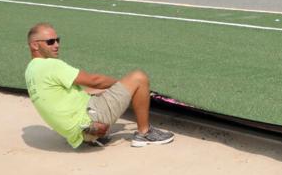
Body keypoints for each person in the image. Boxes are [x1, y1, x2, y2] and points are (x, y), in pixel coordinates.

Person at [24, 23, 174, 149]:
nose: (56, 45)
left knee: (98, 91)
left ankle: (93, 137)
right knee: (138, 78)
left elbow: (77, 92)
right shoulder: (51, 65)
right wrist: (122, 85)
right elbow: (94, 80)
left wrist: (107, 90)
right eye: (50, 42)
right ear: (35, 45)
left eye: (58, 40)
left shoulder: (31, 70)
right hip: (89, 123)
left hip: (76, 132)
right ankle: (144, 133)